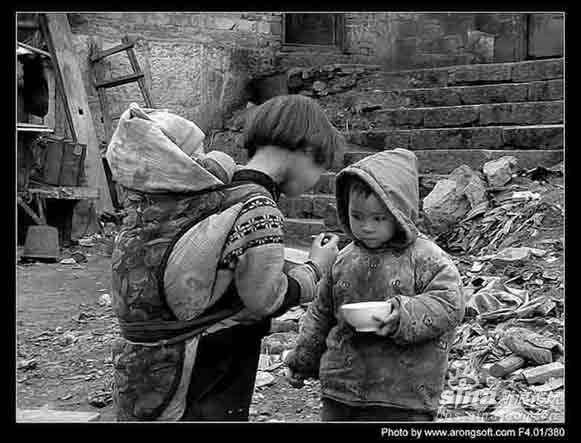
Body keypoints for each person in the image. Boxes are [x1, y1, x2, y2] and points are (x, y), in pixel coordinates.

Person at [110, 95, 344, 421]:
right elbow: (264, 299)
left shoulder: (216, 187)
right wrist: (315, 268)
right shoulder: (259, 205)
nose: (316, 179)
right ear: (307, 150)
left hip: (149, 357)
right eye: (321, 167)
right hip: (208, 367)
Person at [284, 148, 465, 422]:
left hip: (405, 396)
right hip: (341, 390)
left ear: (400, 212)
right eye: (357, 216)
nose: (366, 227)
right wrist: (303, 359)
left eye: (378, 218)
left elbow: (450, 303)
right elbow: (321, 314)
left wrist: (402, 315)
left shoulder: (426, 257)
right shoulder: (343, 259)